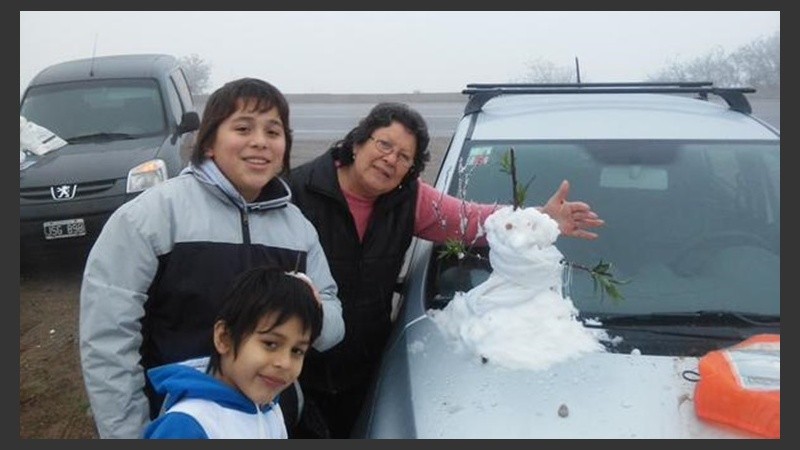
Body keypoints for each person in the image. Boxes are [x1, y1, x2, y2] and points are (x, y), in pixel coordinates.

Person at [286, 102, 604, 438]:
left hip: (365, 371)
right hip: (296, 367)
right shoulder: (299, 191)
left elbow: (473, 221)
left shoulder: (409, 199)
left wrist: (540, 220)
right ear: (358, 142)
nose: (391, 159)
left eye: (404, 157)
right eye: (384, 144)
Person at [79, 78, 345, 439]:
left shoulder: (298, 229)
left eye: (273, 131)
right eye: (243, 128)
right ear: (208, 143)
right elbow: (108, 341)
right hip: (180, 423)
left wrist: (314, 309)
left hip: (268, 418)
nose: (260, 142)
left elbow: (332, 327)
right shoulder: (151, 218)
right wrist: (128, 433)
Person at [143, 266, 323, 439]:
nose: (284, 363)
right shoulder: (187, 426)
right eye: (270, 344)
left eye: (297, 351)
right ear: (224, 338)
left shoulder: (269, 410)